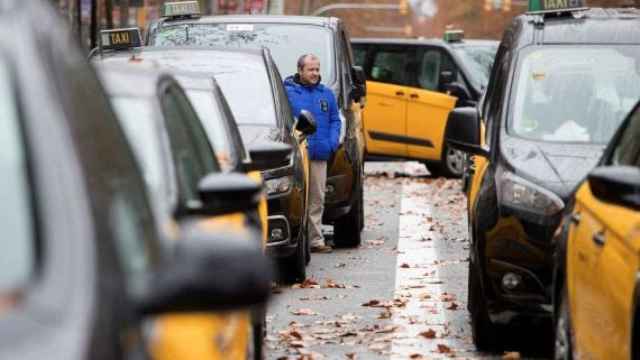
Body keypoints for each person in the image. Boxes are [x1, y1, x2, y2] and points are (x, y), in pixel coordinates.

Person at [284, 54, 341, 253]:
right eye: (311, 70)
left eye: (317, 69)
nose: (315, 73)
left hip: (320, 154)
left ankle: (315, 241)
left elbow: (335, 120)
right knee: (297, 198)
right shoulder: (287, 92)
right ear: (300, 70)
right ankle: (297, 240)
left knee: (317, 198)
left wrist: (332, 142)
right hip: (298, 155)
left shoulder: (326, 94)